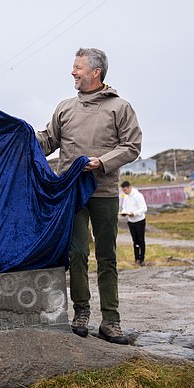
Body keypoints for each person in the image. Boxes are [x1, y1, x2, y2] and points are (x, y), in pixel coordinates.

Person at [37, 48, 142, 345]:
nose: (73, 72)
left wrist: (103, 162)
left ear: (96, 72)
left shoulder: (120, 107)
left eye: (77, 67)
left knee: (107, 256)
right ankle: (81, 313)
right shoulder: (65, 107)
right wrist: (19, 136)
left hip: (105, 192)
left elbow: (132, 145)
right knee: (77, 252)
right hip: (71, 192)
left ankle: (110, 321)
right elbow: (48, 140)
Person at [120, 181, 148, 266]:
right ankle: (136, 259)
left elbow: (144, 208)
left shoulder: (138, 196)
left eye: (125, 190)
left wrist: (134, 213)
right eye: (123, 190)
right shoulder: (126, 197)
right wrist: (124, 212)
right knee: (135, 240)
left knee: (141, 240)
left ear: (129, 187)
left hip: (139, 221)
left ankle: (142, 259)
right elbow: (124, 207)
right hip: (131, 221)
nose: (124, 192)